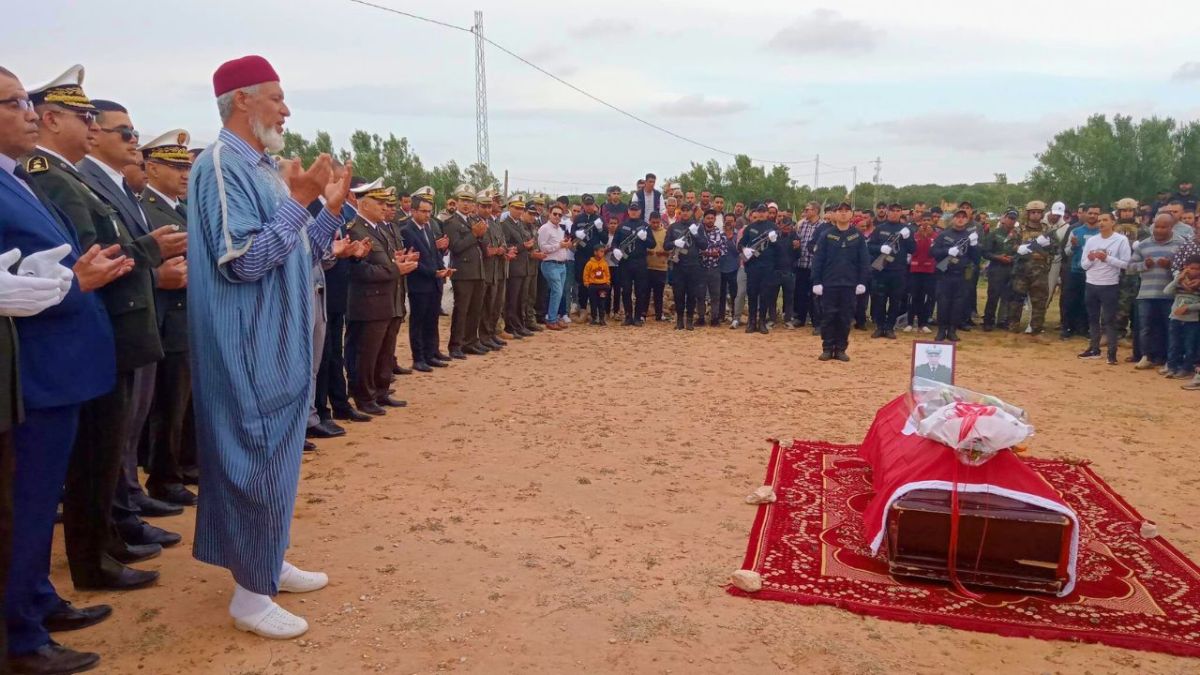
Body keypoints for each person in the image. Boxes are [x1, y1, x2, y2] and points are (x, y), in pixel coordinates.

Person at [188, 55, 353, 638]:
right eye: (277, 98)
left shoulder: (262, 167)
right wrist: (299, 200)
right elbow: (244, 262)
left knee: (276, 464)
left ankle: (266, 562)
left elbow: (301, 252)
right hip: (247, 346)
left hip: (279, 341)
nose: (286, 109)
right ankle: (249, 598)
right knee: (251, 460)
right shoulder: (221, 164)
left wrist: (325, 210)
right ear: (242, 101)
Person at [2, 63, 131, 675]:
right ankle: (20, 639)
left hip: (58, 366)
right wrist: (73, 281)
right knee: (24, 506)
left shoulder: (15, 178)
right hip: (33, 373)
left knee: (35, 501)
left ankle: (36, 599)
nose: (28, 111)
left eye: (29, 101)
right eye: (13, 102)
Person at [27, 66, 174, 591]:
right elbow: (90, 256)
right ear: (51, 117)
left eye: (95, 117)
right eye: (83, 116)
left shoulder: (72, 176)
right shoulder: (47, 174)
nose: (91, 125)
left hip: (110, 328)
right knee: (92, 459)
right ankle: (92, 560)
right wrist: (152, 250)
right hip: (90, 330)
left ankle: (108, 542)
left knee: (110, 449)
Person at [136, 129, 198, 505]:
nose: (184, 173)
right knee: (167, 406)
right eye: (174, 166)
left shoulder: (180, 208)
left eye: (185, 166)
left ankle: (186, 465)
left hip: (188, 317)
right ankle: (163, 477)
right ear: (152, 167)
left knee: (186, 402)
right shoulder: (147, 208)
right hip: (168, 316)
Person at [346, 180, 412, 415]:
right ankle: (364, 397)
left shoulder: (378, 229)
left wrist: (397, 263)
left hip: (386, 299)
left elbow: (383, 261)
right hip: (368, 301)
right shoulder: (355, 229)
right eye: (380, 203)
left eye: (386, 203)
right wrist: (395, 270)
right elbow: (358, 270)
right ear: (364, 204)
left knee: (385, 349)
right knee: (367, 352)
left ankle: (381, 391)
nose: (385, 207)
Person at [811, 202, 869, 361]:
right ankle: (828, 348)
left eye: (846, 211)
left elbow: (864, 261)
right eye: (839, 211)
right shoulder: (826, 235)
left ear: (851, 214)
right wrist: (816, 281)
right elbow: (818, 259)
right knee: (828, 317)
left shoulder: (857, 236)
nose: (843, 213)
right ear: (834, 214)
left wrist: (862, 281)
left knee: (845, 318)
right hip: (829, 284)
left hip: (849, 285)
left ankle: (841, 349)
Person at [402, 195, 454, 371]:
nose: (427, 215)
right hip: (420, 283)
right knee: (418, 322)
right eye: (423, 211)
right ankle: (419, 357)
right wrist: (433, 272)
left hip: (435, 282)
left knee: (432, 320)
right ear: (413, 211)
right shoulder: (407, 230)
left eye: (429, 212)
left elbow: (435, 253)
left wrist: (442, 269)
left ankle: (432, 352)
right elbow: (414, 261)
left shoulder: (429, 227)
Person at [1128, 213, 1185, 370]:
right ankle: (1146, 356)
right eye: (1156, 226)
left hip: (1170, 295)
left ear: (1171, 227)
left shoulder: (1181, 243)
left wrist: (1171, 264)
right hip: (1146, 293)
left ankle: (1169, 359)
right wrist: (1144, 265)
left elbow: (1187, 269)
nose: (1159, 230)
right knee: (1145, 327)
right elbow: (1130, 267)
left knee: (1169, 328)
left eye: (1163, 227)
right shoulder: (1143, 245)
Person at [1078, 211, 1131, 364]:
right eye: (1100, 220)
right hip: (1091, 283)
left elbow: (1126, 264)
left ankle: (1112, 353)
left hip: (1109, 284)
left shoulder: (1121, 240)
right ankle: (1094, 348)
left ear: (1113, 222)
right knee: (1092, 318)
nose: (1101, 223)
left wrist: (1106, 258)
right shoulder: (1092, 241)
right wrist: (1090, 259)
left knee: (1109, 320)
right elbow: (1084, 265)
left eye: (1105, 220)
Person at [444, 185, 489, 358]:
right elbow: (455, 247)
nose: (466, 205)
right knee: (461, 310)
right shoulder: (451, 222)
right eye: (463, 200)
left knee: (475, 309)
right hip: (462, 272)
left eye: (470, 201)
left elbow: (481, 245)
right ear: (456, 201)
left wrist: (479, 234)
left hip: (477, 271)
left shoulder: (472, 221)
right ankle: (456, 345)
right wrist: (473, 234)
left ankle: (470, 341)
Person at [930, 208, 980, 342]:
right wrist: (947, 251)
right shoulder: (943, 235)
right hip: (944, 274)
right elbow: (933, 252)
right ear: (953, 218)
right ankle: (941, 331)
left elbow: (976, 259)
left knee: (958, 304)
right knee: (943, 303)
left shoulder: (970, 237)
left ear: (967, 220)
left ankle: (952, 331)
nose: (960, 219)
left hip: (962, 275)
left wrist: (974, 245)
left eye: (963, 217)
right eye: (958, 216)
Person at [866, 203, 914, 339]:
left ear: (901, 213)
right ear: (887, 212)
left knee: (895, 300)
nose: (894, 213)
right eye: (892, 211)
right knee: (879, 300)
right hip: (881, 270)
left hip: (898, 271)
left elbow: (913, 249)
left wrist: (908, 238)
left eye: (897, 211)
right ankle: (880, 327)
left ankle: (890, 327)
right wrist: (880, 248)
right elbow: (869, 246)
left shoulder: (906, 230)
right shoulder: (880, 229)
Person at [1007, 201, 1054, 336]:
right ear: (1028, 214)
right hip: (1021, 271)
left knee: (1039, 300)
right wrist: (1018, 248)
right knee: (1016, 299)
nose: (1035, 215)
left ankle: (1036, 327)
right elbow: (1008, 245)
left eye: (1038, 212)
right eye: (1033, 212)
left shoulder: (1047, 230)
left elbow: (1056, 250)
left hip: (1040, 271)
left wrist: (1049, 244)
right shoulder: (1019, 229)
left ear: (1042, 214)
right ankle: (1013, 325)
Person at [1062, 205, 1102, 339]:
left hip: (1094, 272)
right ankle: (1067, 327)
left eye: (1096, 214)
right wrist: (1073, 246)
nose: (1092, 216)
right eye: (1090, 213)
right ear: (1085, 214)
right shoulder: (1076, 230)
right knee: (1070, 300)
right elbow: (1066, 251)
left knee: (1089, 302)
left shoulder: (1102, 233)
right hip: (1076, 270)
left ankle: (1084, 328)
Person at [738, 203, 778, 334]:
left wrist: (774, 240)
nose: (761, 213)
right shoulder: (750, 227)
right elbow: (740, 244)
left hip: (767, 267)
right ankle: (751, 322)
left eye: (763, 211)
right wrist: (745, 250)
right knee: (752, 294)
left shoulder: (773, 227)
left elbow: (779, 247)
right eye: (759, 211)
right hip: (753, 267)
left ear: (767, 213)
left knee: (765, 295)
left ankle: (762, 322)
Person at [666, 205, 707, 330]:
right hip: (678, 265)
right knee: (678, 294)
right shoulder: (673, 227)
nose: (684, 213)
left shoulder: (698, 227)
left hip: (694, 266)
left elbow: (704, 245)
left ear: (691, 212)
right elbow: (666, 245)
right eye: (682, 211)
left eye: (687, 211)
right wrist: (674, 243)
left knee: (691, 294)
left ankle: (689, 320)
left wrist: (696, 235)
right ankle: (679, 320)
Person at [980, 209, 1019, 331]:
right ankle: (988, 321)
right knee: (993, 296)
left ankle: (1003, 321)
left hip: (1011, 268)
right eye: (1009, 218)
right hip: (997, 268)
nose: (1011, 221)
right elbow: (985, 253)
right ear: (1004, 218)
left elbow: (1021, 251)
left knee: (1008, 297)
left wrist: (1014, 258)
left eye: (1014, 219)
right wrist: (998, 257)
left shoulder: (1017, 236)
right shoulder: (994, 234)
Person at [613, 205, 652, 325]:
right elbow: (615, 242)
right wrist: (615, 250)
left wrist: (645, 239)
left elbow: (652, 244)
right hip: (626, 262)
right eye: (632, 210)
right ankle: (628, 316)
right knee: (626, 290)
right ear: (628, 211)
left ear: (640, 211)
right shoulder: (621, 226)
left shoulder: (645, 226)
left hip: (640, 262)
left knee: (640, 291)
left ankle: (638, 317)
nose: (634, 212)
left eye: (636, 210)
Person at [501, 195, 533, 339]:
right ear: (509, 207)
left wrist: (527, 246)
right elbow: (506, 245)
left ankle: (519, 325)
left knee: (521, 298)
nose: (520, 211)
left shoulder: (519, 224)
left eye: (521, 208)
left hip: (523, 266)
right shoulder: (505, 224)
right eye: (516, 208)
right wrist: (522, 246)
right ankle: (511, 326)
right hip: (513, 266)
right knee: (512, 299)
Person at [1163, 256, 1200, 378]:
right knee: (1174, 345)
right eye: (1191, 268)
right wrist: (1178, 279)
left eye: (1197, 269)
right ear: (1185, 267)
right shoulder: (1180, 281)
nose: (1194, 271)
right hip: (1175, 318)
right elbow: (1167, 291)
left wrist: (1188, 308)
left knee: (1190, 346)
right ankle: (1172, 367)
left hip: (1192, 320)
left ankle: (1186, 369)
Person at [538, 203, 572, 329]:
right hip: (550, 264)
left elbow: (561, 246)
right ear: (549, 214)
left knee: (558, 292)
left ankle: (554, 317)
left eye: (560, 214)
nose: (557, 216)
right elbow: (543, 248)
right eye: (555, 214)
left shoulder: (560, 229)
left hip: (562, 264)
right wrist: (559, 246)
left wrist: (565, 245)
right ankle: (551, 319)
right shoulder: (544, 228)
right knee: (557, 291)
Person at [905, 213, 936, 334]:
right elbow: (913, 251)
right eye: (924, 220)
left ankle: (923, 323)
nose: (926, 222)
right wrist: (921, 237)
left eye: (928, 220)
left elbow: (932, 253)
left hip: (929, 271)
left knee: (925, 298)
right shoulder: (914, 235)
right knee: (913, 297)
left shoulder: (936, 236)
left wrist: (928, 238)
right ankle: (909, 322)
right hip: (915, 270)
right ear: (920, 221)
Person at [791, 202, 820, 329]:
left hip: (815, 266)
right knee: (801, 293)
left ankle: (816, 321)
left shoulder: (823, 226)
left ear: (815, 211)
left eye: (807, 209)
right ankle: (800, 318)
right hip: (801, 264)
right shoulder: (801, 225)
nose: (805, 211)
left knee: (815, 295)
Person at [696, 209, 726, 326]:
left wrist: (717, 253)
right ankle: (701, 318)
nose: (710, 220)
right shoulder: (699, 232)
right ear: (704, 219)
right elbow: (696, 249)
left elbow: (724, 249)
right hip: (701, 268)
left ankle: (714, 318)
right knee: (700, 295)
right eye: (707, 218)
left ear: (714, 219)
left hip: (715, 268)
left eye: (712, 218)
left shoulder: (720, 232)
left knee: (715, 295)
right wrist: (707, 253)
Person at [645, 210, 669, 321]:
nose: (655, 224)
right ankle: (643, 314)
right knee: (645, 292)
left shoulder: (665, 232)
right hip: (647, 267)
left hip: (661, 267)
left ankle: (659, 315)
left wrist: (663, 253)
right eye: (653, 222)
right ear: (649, 221)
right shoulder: (645, 232)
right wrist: (646, 252)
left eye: (657, 222)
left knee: (659, 293)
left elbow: (670, 250)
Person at [582, 243, 611, 325]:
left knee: (602, 303)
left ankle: (602, 319)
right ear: (595, 252)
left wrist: (607, 282)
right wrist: (586, 282)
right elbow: (586, 273)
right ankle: (594, 318)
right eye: (601, 251)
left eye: (603, 252)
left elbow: (607, 273)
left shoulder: (604, 263)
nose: (602, 253)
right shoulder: (590, 263)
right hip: (593, 286)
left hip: (603, 285)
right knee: (593, 303)